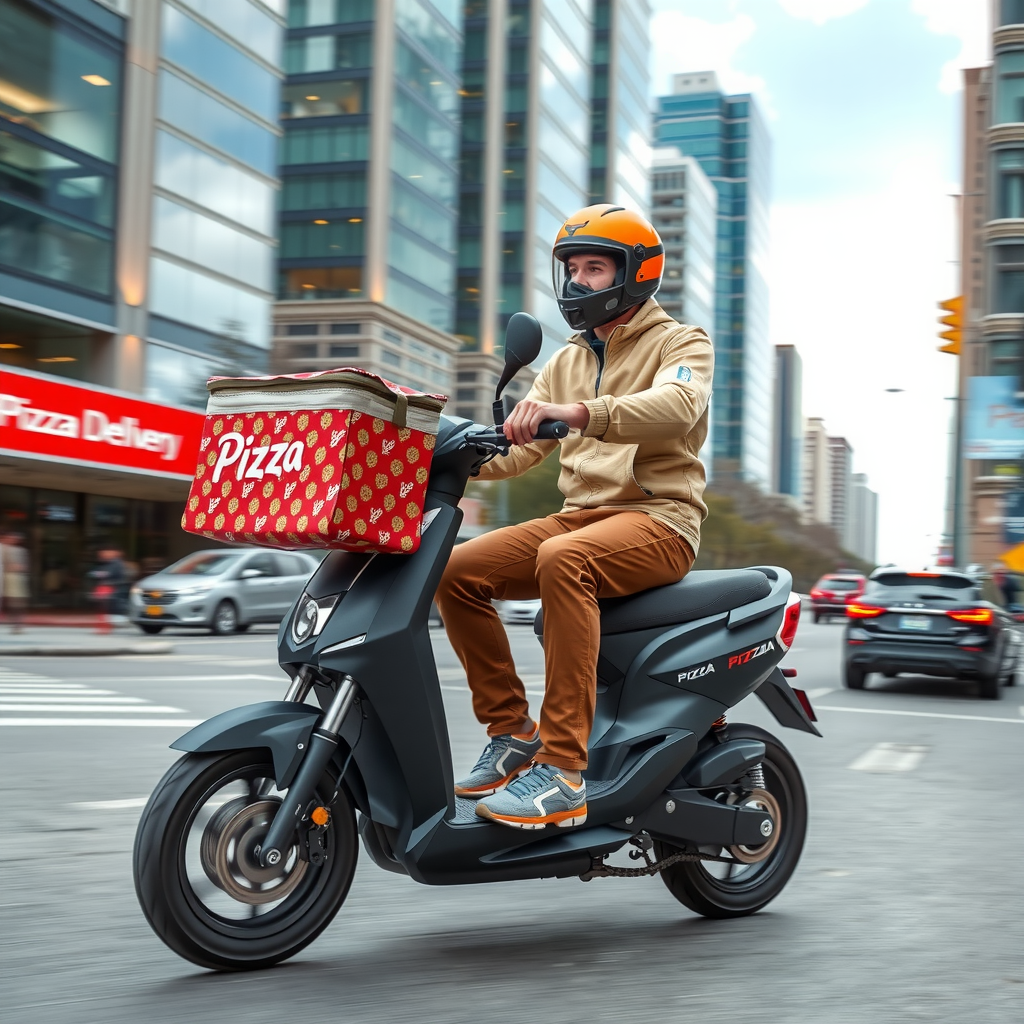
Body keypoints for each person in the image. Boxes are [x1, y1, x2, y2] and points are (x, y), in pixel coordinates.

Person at [435, 203, 713, 829]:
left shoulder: (680, 342)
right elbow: (520, 450)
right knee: (452, 571)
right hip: (579, 517)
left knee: (565, 559)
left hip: (659, 522)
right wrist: (451, 455)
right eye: (573, 269)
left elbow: (677, 405)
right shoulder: (565, 360)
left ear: (636, 274)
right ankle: (512, 734)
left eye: (595, 268)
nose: (579, 281)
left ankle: (562, 771)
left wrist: (586, 413)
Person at [0, 532, 29, 633]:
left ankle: (18, 624)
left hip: (16, 578)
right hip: (7, 577)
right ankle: (15, 623)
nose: (11, 540)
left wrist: (16, 567)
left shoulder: (20, 550)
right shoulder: (3, 549)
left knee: (17, 602)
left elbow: (23, 566)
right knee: (10, 601)